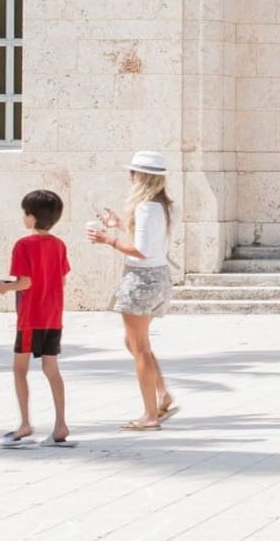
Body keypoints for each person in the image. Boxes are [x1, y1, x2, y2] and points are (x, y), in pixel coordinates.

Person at [86, 150, 176, 429]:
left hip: (141, 279)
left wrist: (108, 240)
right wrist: (119, 225)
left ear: (141, 178)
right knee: (136, 344)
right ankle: (163, 394)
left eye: (133, 173)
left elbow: (141, 251)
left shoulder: (146, 207)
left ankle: (150, 414)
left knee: (140, 348)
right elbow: (146, 237)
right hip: (158, 278)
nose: (130, 177)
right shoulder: (162, 205)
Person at [0, 189, 72, 447]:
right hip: (53, 316)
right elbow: (61, 278)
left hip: (30, 317)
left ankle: (25, 423)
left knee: (20, 369)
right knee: (51, 369)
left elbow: (25, 282)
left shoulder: (23, 245)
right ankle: (60, 424)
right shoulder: (59, 245)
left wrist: (4, 287)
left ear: (32, 217)